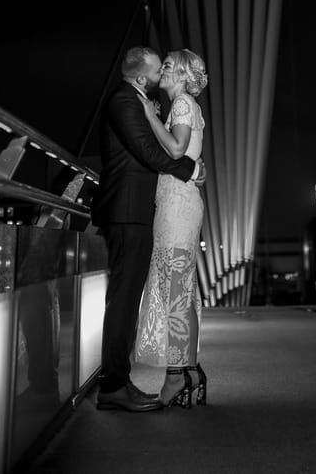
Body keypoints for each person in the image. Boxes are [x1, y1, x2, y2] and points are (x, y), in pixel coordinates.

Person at [91, 46, 204, 413]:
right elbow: (149, 151)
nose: (161, 75)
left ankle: (161, 375)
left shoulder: (156, 103)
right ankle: (115, 385)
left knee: (158, 292)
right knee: (127, 298)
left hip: (149, 210)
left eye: (168, 68)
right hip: (129, 211)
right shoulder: (126, 101)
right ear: (142, 78)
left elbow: (166, 148)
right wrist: (191, 170)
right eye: (159, 70)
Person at [135, 48, 208, 409]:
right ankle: (189, 370)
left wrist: (149, 115)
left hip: (177, 206)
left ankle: (176, 376)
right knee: (181, 290)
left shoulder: (181, 105)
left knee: (176, 290)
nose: (160, 71)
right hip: (180, 203)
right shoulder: (189, 107)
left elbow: (177, 150)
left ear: (180, 75)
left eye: (167, 66)